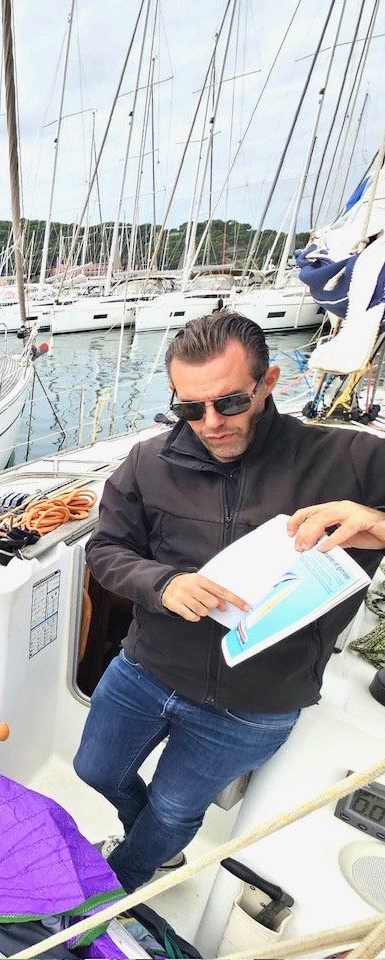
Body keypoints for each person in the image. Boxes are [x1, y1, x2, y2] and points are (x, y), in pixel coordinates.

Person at [75, 309, 385, 892]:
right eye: (190, 409)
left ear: (268, 383)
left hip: (256, 701)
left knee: (173, 810)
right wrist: (163, 585)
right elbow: (107, 550)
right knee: (93, 769)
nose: (210, 423)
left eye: (230, 403)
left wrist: (374, 521)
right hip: (146, 670)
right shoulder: (147, 463)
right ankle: (150, 845)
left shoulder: (352, 458)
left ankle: (124, 881)